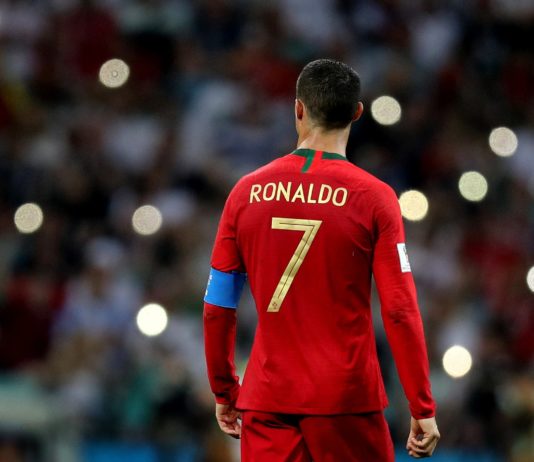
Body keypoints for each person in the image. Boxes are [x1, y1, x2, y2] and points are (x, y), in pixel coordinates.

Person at [203, 58, 440, 461]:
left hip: (267, 400)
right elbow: (399, 309)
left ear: (298, 108)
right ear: (357, 113)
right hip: (346, 402)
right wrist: (421, 405)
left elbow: (218, 305)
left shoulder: (246, 193)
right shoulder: (375, 198)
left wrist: (224, 389)